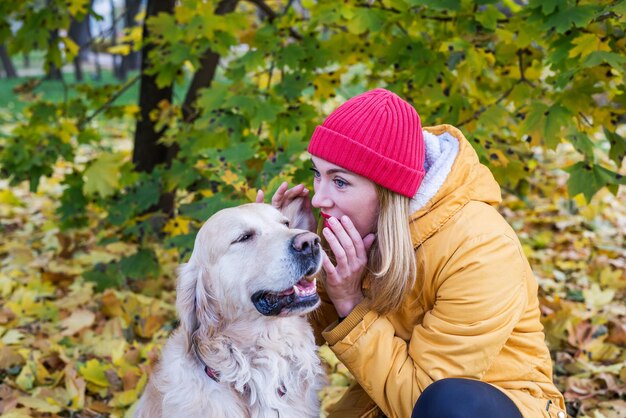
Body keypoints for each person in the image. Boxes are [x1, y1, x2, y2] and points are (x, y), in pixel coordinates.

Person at [256, 88, 567, 418]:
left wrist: (350, 304)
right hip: (384, 401)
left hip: (490, 406)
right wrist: (284, 261)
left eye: (341, 182)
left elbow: (426, 402)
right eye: (317, 175)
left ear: (389, 192)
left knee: (451, 403)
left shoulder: (479, 248)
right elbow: (302, 336)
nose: (320, 199)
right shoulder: (356, 226)